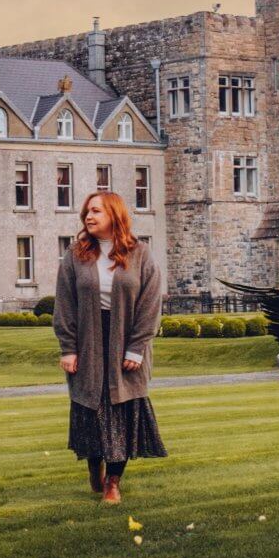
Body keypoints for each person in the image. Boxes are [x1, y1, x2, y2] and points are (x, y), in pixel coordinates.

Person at [53, 190, 167, 504]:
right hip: (88, 341)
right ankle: (95, 466)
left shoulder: (139, 253)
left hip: (125, 342)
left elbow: (150, 303)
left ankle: (113, 483)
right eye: (87, 212)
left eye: (96, 211)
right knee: (91, 409)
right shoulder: (75, 255)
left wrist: (136, 348)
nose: (88, 217)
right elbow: (65, 304)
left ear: (114, 215)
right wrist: (68, 348)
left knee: (122, 411)